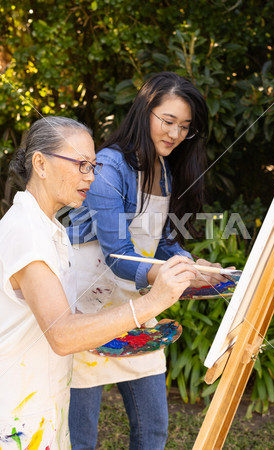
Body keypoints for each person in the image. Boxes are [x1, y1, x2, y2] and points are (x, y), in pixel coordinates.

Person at [0, 116, 197, 449]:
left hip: (41, 404)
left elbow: (61, 320)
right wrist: (151, 302)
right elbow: (62, 334)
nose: (91, 176)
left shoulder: (49, 228)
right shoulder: (27, 233)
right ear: (40, 164)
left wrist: (129, 336)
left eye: (92, 166)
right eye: (81, 165)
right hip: (19, 414)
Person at [67, 72, 230, 449]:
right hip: (85, 309)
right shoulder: (108, 167)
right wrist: (171, 276)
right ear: (145, 112)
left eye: (184, 127)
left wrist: (192, 265)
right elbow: (118, 254)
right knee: (80, 439)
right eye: (168, 121)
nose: (175, 134)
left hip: (138, 305)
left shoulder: (164, 169)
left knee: (153, 429)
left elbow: (160, 241)